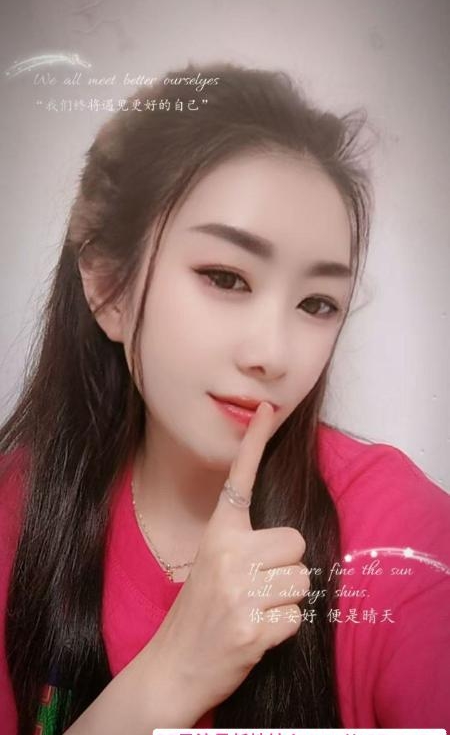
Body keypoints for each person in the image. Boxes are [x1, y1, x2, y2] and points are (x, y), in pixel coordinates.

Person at [0, 60, 449, 735]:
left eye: (317, 303)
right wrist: (172, 675)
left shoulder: (398, 542)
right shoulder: (18, 513)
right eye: (226, 277)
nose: (273, 353)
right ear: (108, 287)